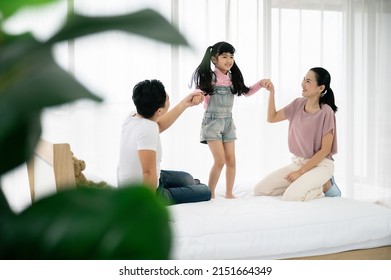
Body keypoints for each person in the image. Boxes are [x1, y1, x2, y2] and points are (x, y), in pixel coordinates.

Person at [191, 41, 271, 199]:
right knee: (219, 160)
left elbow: (246, 92)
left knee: (231, 160)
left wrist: (260, 84)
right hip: (212, 122)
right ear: (214, 59)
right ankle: (211, 193)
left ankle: (229, 192)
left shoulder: (232, 78)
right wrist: (197, 96)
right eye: (224, 56)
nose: (229, 60)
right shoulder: (211, 77)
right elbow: (200, 89)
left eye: (231, 56)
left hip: (228, 122)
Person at [117, 79, 211, 205]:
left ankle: (179, 187)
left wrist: (185, 103)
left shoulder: (134, 116)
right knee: (205, 191)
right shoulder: (148, 128)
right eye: (166, 98)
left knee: (188, 178)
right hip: (142, 192)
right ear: (159, 111)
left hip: (141, 180)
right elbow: (148, 172)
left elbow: (159, 125)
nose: (168, 97)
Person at [254, 67, 341, 201]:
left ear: (320, 88)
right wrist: (272, 92)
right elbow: (272, 118)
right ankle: (304, 183)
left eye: (308, 81)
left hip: (321, 164)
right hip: (299, 162)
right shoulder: (298, 104)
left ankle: (324, 185)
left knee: (292, 196)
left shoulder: (326, 112)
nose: (303, 84)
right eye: (303, 79)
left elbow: (325, 150)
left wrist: (300, 173)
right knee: (260, 190)